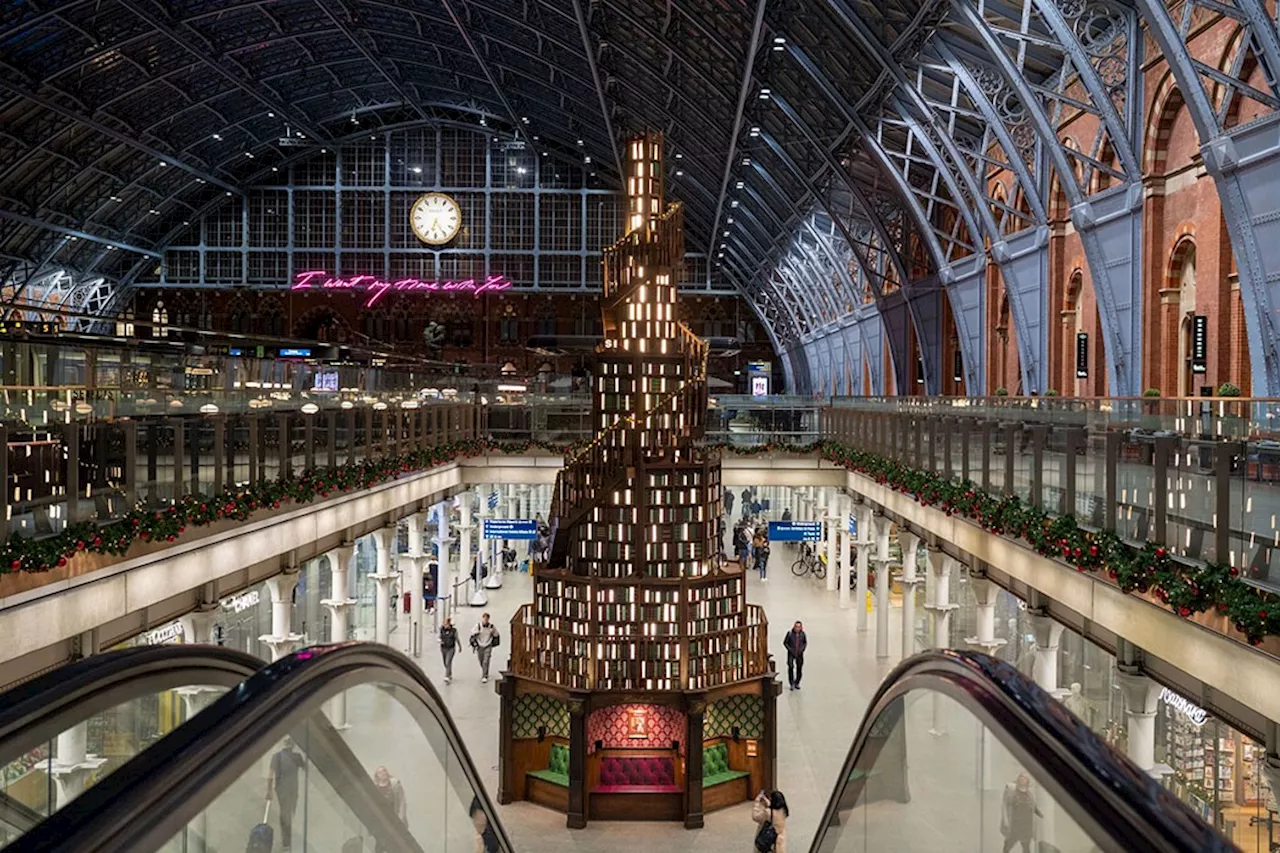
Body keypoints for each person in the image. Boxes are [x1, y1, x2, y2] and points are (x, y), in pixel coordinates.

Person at [265, 736, 305, 852]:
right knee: (289, 812)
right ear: (293, 745)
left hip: (281, 790)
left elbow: (270, 775)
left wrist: (269, 790)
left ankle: (286, 840)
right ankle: (286, 841)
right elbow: (305, 768)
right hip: (293, 790)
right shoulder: (297, 757)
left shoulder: (276, 757)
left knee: (285, 812)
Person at [1000, 773, 1042, 853]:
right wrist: (1006, 820)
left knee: (1026, 848)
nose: (1022, 780)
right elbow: (1005, 805)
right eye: (1021, 778)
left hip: (1026, 826)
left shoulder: (1029, 794)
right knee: (1007, 846)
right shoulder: (1012, 793)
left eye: (1024, 778)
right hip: (1015, 825)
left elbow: (1033, 806)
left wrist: (1040, 814)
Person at [372, 766, 407, 853]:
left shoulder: (395, 785)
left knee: (395, 842)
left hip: (393, 818)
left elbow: (402, 801)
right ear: (377, 776)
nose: (383, 773)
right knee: (380, 843)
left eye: (384, 771)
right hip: (381, 820)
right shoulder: (375, 787)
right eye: (380, 772)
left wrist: (401, 818)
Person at [471, 612, 499, 683]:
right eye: (484, 619)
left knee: (486, 661)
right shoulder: (478, 626)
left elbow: (496, 634)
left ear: (488, 619)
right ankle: (484, 670)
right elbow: (472, 632)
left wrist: (493, 632)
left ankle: (484, 675)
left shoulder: (492, 627)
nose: (485, 621)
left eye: (487, 619)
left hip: (488, 644)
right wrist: (476, 633)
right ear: (482, 618)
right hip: (480, 645)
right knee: (481, 660)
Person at [783, 621, 807, 690]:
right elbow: (785, 643)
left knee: (799, 668)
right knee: (790, 667)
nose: (797, 628)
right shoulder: (790, 634)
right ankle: (791, 683)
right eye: (796, 626)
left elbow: (805, 643)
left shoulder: (803, 634)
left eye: (799, 627)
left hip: (799, 654)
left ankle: (797, 682)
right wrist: (790, 649)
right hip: (791, 653)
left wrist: (802, 649)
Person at [440, 617, 459, 684]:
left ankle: (447, 676)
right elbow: (440, 636)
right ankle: (449, 673)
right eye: (444, 624)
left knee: (448, 661)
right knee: (445, 662)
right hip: (443, 648)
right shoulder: (441, 629)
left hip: (451, 648)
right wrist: (440, 640)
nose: (445, 626)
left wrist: (459, 646)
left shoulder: (453, 630)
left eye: (446, 624)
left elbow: (457, 638)